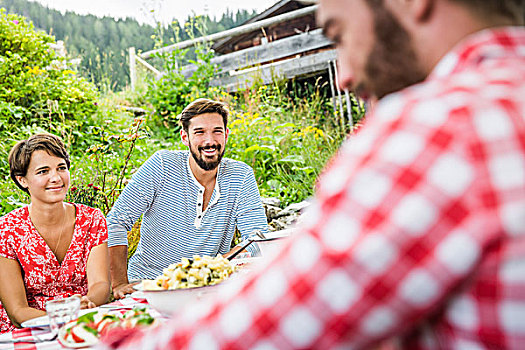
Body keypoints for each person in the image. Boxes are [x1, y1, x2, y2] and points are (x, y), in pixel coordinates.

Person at [101, 0, 525, 348]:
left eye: (339, 35)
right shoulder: (502, 99)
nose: (344, 77)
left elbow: (276, 322)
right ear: (185, 136)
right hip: (146, 290)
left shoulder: (435, 124)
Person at [107, 98, 268, 298]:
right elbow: (116, 222)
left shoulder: (240, 175)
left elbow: (258, 238)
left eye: (217, 131)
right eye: (199, 132)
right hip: (150, 288)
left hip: (208, 290)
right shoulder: (162, 165)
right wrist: (120, 283)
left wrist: (212, 268)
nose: (209, 141)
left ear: (226, 135)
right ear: (185, 137)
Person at [0, 134, 110, 333]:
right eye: (43, 171)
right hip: (29, 332)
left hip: (84, 321)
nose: (56, 178)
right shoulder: (6, 230)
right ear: (22, 180)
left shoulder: (92, 219)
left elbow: (101, 284)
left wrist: (85, 305)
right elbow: (17, 312)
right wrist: (65, 318)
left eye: (61, 168)